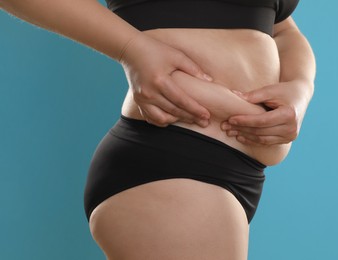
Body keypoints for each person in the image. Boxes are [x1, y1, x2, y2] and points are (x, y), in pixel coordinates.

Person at [1, 0, 316, 259]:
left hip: (230, 171)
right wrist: (131, 48)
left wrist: (300, 88)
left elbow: (283, 29)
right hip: (172, 156)